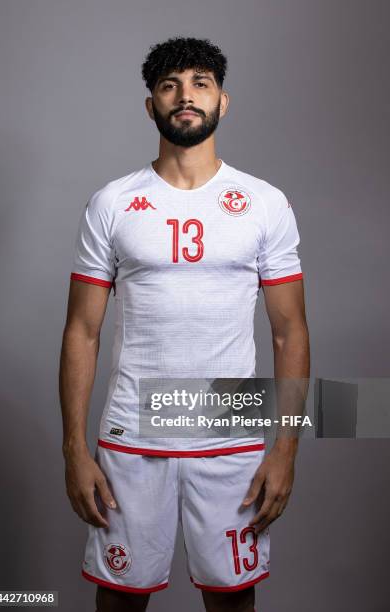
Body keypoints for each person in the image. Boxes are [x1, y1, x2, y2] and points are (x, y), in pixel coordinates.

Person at [59, 36, 310, 612]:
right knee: (120, 601)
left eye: (201, 83)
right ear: (152, 106)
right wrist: (74, 449)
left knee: (231, 602)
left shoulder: (264, 202)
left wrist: (286, 450)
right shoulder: (113, 203)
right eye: (170, 86)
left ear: (224, 102)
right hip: (132, 435)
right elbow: (82, 331)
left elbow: (288, 332)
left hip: (231, 434)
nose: (185, 96)